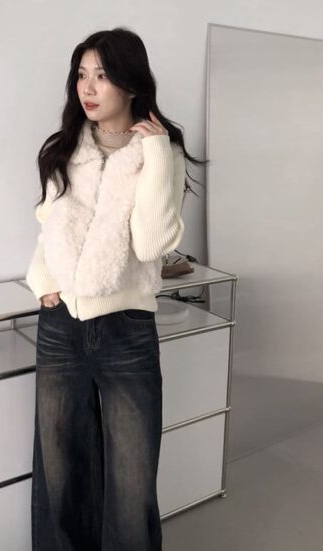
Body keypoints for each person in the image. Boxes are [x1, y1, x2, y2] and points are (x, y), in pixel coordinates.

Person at [26, 26, 205, 551]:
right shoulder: (64, 148)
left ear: (130, 83)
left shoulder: (160, 152)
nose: (88, 87)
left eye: (102, 75)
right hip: (60, 326)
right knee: (60, 473)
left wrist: (156, 156)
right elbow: (48, 227)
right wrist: (43, 281)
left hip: (126, 331)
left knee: (131, 482)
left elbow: (152, 244)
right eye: (82, 75)